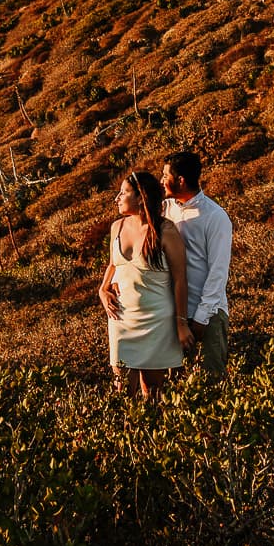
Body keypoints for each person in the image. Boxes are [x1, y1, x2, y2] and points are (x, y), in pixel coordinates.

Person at [97, 171, 195, 399]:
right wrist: (102, 289)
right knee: (122, 391)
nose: (117, 198)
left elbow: (180, 279)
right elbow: (114, 264)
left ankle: (150, 433)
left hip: (157, 321)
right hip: (121, 319)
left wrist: (181, 324)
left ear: (141, 197)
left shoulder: (166, 231)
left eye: (123, 193)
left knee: (153, 392)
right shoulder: (117, 228)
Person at [161, 152, 233, 377]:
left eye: (165, 175)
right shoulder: (166, 209)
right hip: (176, 311)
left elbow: (218, 271)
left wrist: (202, 317)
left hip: (209, 313)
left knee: (212, 380)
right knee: (176, 380)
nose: (161, 181)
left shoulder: (215, 216)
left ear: (180, 180)